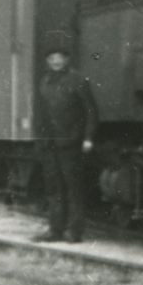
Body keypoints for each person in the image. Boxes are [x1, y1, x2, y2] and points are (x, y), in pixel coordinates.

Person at [33, 30, 98, 243]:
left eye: (59, 59)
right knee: (53, 188)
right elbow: (41, 113)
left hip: (71, 141)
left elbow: (91, 111)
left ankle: (74, 231)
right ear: (48, 62)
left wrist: (88, 138)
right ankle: (55, 230)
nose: (56, 62)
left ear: (66, 60)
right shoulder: (44, 82)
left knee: (73, 188)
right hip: (50, 143)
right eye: (52, 59)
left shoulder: (78, 80)